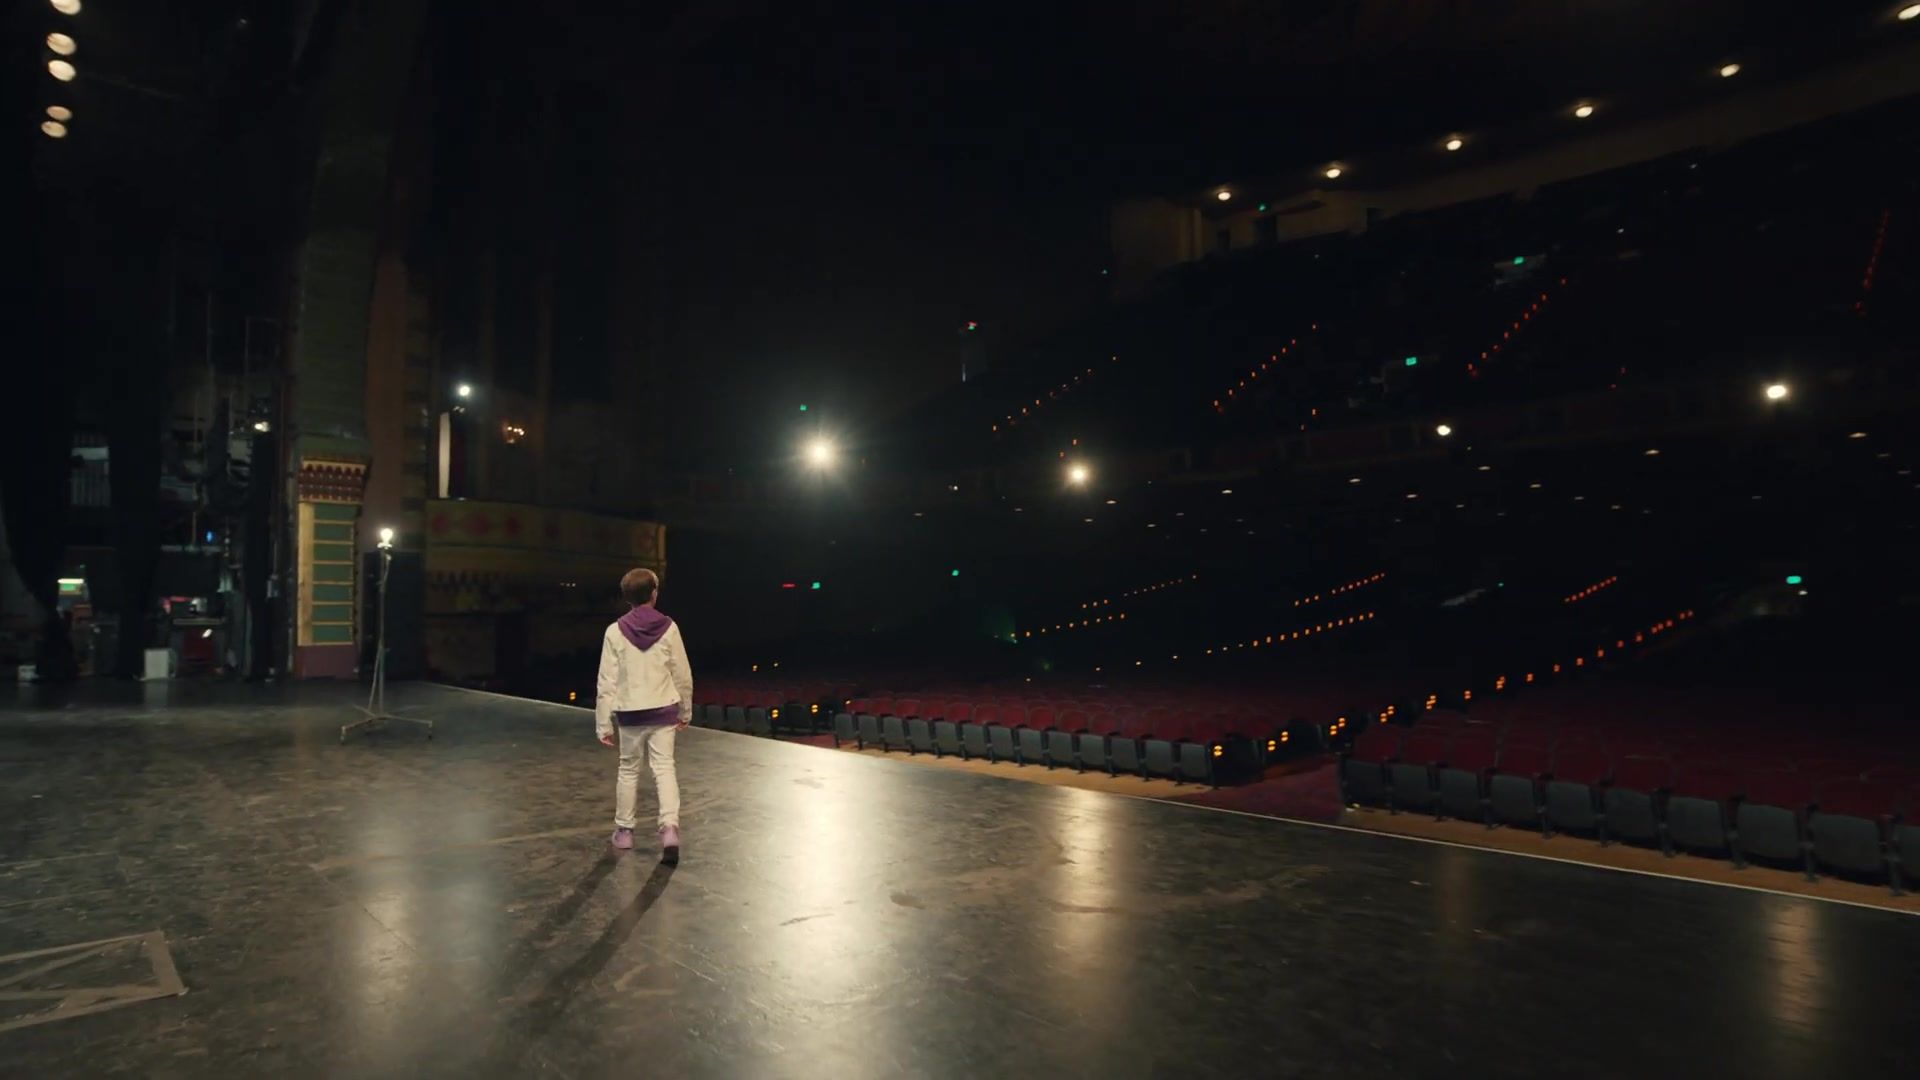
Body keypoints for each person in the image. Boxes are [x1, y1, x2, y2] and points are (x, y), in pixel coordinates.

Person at [594, 568, 693, 862]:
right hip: (663, 710)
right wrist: (685, 710)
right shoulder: (669, 628)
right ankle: (670, 828)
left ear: (627, 597)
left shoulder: (614, 632)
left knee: (628, 770)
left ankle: (624, 831)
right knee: (664, 768)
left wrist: (603, 723)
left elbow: (606, 682)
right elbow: (682, 674)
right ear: (654, 593)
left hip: (630, 715)